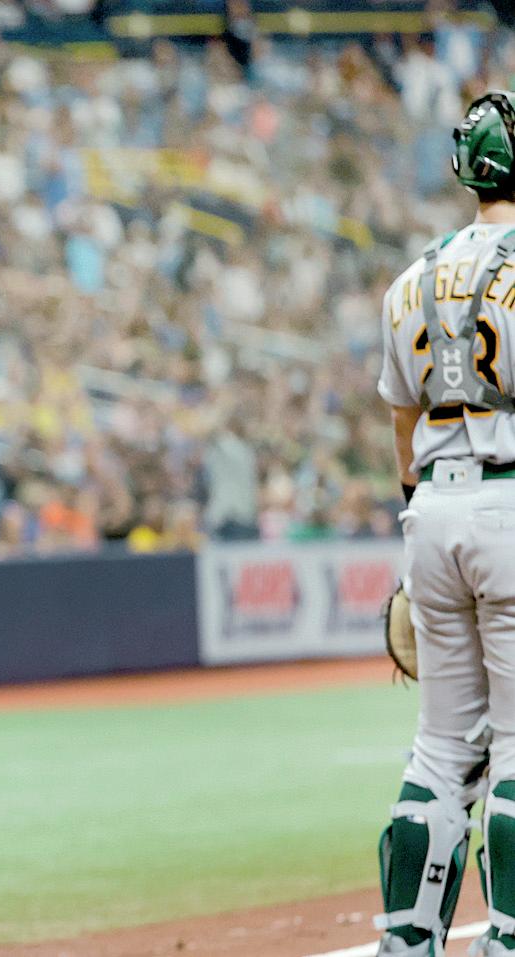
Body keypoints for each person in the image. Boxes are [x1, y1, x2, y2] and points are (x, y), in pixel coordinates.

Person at [370, 91, 515, 957]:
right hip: (509, 502)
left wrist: (415, 542)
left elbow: (402, 425)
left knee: (437, 748)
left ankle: (406, 937)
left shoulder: (410, 279)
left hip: (431, 508)